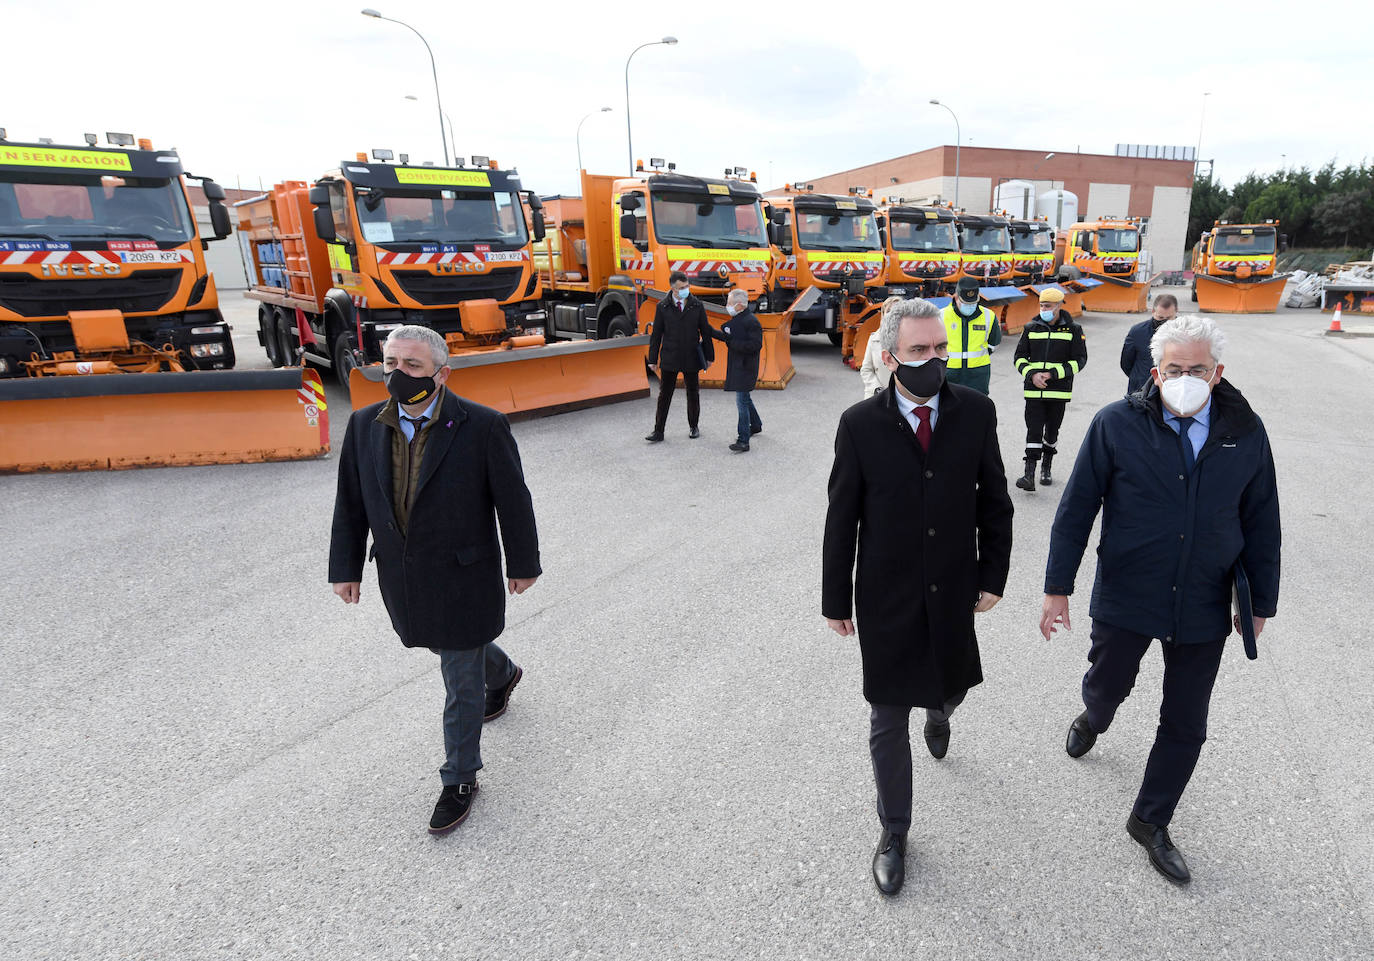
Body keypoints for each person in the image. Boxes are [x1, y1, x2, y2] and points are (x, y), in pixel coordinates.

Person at [1040, 314, 1280, 885]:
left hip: (1204, 600)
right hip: (1128, 591)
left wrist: (1261, 603)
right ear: (1156, 371)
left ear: (1217, 373)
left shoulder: (1245, 432)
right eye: (1175, 368)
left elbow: (1262, 520)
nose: (1186, 377)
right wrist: (1057, 588)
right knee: (1109, 684)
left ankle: (1150, 820)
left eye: (1198, 368)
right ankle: (1095, 716)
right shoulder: (1115, 424)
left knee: (1187, 722)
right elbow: (1076, 510)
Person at [822, 298, 1014, 896]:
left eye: (939, 349)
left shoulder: (976, 413)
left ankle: (940, 709)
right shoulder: (860, 425)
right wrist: (835, 600)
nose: (933, 360)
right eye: (918, 351)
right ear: (889, 357)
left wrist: (993, 576)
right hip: (886, 593)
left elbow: (995, 502)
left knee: (951, 686)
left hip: (955, 585)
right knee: (885, 716)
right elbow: (842, 516)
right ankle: (895, 832)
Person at [328, 325, 541, 836]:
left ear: (442, 374)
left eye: (413, 366)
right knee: (450, 650)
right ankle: (503, 672)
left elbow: (513, 500)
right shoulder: (362, 426)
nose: (398, 375)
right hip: (405, 576)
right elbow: (351, 503)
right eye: (391, 364)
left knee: (458, 680)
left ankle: (460, 777)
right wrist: (345, 567)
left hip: (464, 575)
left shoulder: (482, 426)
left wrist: (523, 562)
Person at [1011, 287, 1087, 491]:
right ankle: (1029, 474)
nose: (1044, 309)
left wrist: (1053, 374)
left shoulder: (1074, 330)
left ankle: (1047, 466)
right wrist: (1031, 375)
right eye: (1042, 305)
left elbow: (1079, 361)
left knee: (1051, 432)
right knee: (1033, 431)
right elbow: (1019, 358)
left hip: (1058, 392)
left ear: (1060, 305)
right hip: (1033, 391)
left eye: (1048, 306)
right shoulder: (1031, 327)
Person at [646, 271, 715, 442]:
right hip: (670, 357)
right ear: (673, 289)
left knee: (693, 393)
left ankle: (694, 426)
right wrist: (653, 359)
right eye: (682, 288)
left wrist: (709, 356)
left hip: (691, 356)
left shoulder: (696, 305)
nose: (686, 290)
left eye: (687, 286)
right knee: (665, 394)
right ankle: (658, 431)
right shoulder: (663, 307)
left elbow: (705, 331)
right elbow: (656, 335)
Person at [707, 288, 764, 452]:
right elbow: (728, 337)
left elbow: (755, 345)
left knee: (742, 403)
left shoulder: (751, 322)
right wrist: (709, 331)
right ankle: (756, 425)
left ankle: (743, 440)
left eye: (729, 303)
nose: (727, 306)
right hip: (740, 367)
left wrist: (733, 345)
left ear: (739, 305)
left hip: (746, 368)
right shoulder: (740, 320)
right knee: (745, 399)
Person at [941, 277, 1003, 395]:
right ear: (956, 297)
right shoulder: (942, 316)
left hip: (978, 376)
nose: (970, 306)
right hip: (949, 374)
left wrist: (979, 355)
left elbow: (994, 343)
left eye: (973, 303)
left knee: (977, 410)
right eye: (965, 303)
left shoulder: (988, 316)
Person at [1120, 293, 1179, 395]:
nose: (1164, 322)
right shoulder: (1137, 332)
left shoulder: (1185, 334)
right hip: (1141, 390)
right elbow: (1126, 363)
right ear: (1153, 311)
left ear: (1176, 312)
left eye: (1168, 318)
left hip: (1173, 389)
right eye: (1160, 318)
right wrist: (1138, 377)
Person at [858, 296, 902, 398]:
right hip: (877, 397)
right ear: (883, 314)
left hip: (902, 399)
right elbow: (866, 369)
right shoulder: (874, 339)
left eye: (897, 311)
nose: (892, 314)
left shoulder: (913, 340)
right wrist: (877, 388)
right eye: (889, 311)